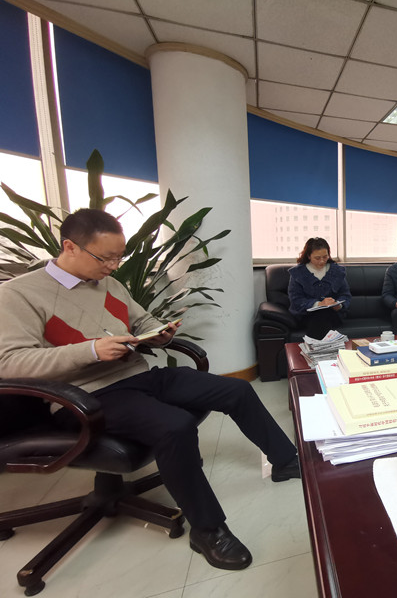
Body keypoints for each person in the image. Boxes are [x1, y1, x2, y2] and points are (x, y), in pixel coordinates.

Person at [0, 209, 301, 571]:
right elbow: (10, 363)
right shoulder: (19, 294)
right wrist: (90, 350)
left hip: (139, 376)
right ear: (70, 247)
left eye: (119, 257)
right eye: (105, 258)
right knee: (175, 426)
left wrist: (158, 332)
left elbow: (141, 320)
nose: (113, 266)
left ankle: (286, 461)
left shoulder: (109, 283)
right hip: (83, 396)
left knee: (236, 391)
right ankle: (207, 530)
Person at [287, 237, 351, 339]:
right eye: (317, 258)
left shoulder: (337, 271)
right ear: (308, 256)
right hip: (306, 316)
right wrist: (319, 304)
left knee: (324, 315)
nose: (322, 261)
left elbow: (345, 295)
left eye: (325, 257)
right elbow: (296, 300)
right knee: (319, 316)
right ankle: (327, 346)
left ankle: (315, 347)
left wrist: (338, 305)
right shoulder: (298, 273)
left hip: (332, 314)